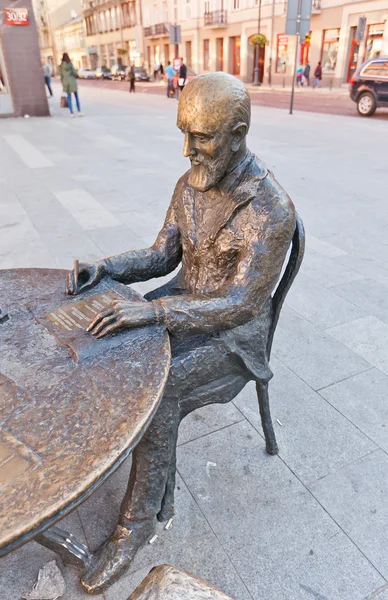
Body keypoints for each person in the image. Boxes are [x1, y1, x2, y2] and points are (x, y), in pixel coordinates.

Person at [67, 72, 296, 594]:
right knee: (109, 339)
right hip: (184, 307)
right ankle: (136, 452)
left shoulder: (270, 210)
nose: (187, 150)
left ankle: (137, 521)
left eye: (203, 138)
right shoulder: (190, 184)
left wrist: (156, 314)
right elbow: (162, 255)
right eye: (183, 133)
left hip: (234, 337)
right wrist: (106, 268)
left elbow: (241, 304)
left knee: (160, 381)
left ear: (238, 134)